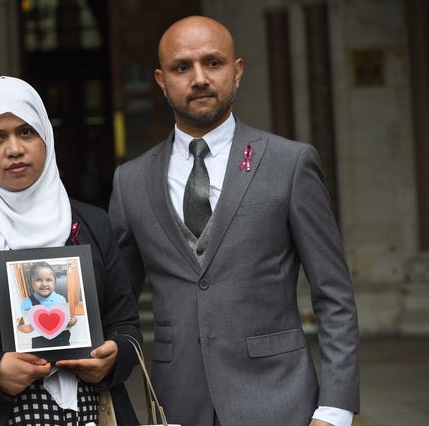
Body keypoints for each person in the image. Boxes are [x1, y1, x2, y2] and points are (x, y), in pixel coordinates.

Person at [108, 15, 359, 426]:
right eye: (182, 67)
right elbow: (117, 302)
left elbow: (334, 296)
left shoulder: (290, 163)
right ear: (160, 79)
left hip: (279, 401)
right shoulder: (131, 180)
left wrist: (334, 410)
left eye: (213, 62)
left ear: (237, 71)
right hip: (176, 405)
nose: (199, 78)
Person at [0, 76, 142, 426]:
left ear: (45, 137)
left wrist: (114, 356)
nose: (14, 149)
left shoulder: (91, 224)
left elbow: (126, 325)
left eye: (26, 132)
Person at [17, 261, 78, 349]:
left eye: (49, 280)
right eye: (38, 280)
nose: (44, 284)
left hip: (62, 338)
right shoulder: (26, 302)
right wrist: (21, 328)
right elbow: (22, 321)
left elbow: (68, 316)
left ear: (55, 282)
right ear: (31, 282)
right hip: (40, 341)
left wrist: (73, 320)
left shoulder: (61, 299)